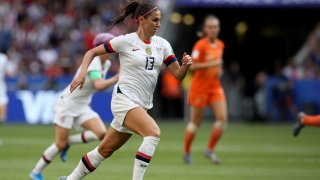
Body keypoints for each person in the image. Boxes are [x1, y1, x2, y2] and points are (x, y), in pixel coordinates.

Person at [59, 1, 192, 179]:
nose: (158, 24)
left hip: (141, 105)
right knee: (153, 134)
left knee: (104, 150)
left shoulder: (162, 44)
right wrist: (82, 73)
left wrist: (185, 66)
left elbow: (177, 74)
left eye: (160, 20)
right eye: (155, 20)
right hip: (124, 101)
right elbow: (91, 53)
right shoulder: (125, 41)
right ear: (141, 19)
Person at [29, 33, 119, 180]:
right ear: (101, 47)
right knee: (59, 143)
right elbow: (98, 86)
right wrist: (116, 78)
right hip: (67, 105)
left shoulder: (106, 63)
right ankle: (35, 172)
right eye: (110, 46)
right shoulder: (94, 63)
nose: (113, 49)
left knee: (102, 133)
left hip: (82, 106)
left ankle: (68, 143)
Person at [183, 15, 227, 164]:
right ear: (205, 28)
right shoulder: (200, 45)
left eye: (216, 26)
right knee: (195, 122)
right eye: (210, 27)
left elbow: (217, 65)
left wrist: (218, 70)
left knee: (222, 119)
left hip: (214, 86)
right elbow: (192, 67)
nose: (213, 29)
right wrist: (213, 64)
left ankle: (209, 149)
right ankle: (187, 152)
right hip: (199, 88)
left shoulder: (220, 44)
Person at [0, 53, 9, 125]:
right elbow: (8, 72)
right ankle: (2, 119)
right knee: (3, 100)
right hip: (1, 84)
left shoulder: (3, 58)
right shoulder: (3, 58)